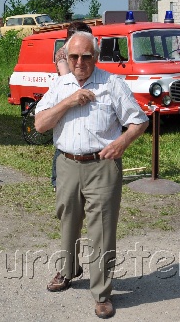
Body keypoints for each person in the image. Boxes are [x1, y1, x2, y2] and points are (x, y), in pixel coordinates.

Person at [35, 31, 148, 319]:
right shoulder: (60, 85)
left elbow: (139, 121)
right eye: (74, 56)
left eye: (86, 56)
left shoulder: (112, 84)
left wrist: (122, 142)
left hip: (102, 166)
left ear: (95, 57)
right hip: (68, 164)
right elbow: (40, 125)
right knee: (68, 221)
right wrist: (69, 101)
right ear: (66, 57)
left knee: (102, 230)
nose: (80, 62)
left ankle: (101, 294)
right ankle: (68, 270)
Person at [50, 21, 94, 190]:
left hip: (78, 97)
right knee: (64, 140)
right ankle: (56, 180)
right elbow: (65, 75)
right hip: (67, 98)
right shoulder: (62, 53)